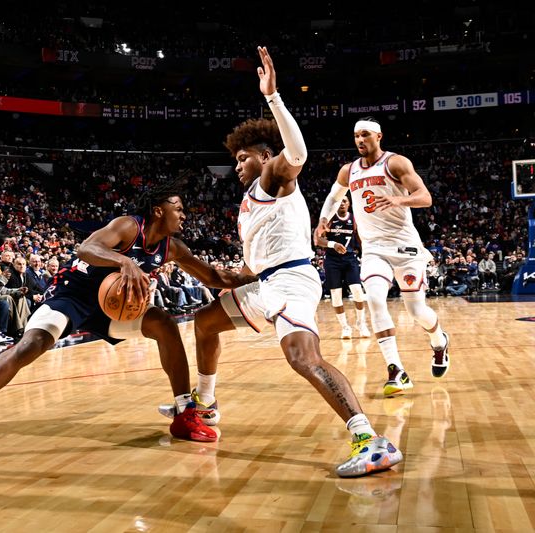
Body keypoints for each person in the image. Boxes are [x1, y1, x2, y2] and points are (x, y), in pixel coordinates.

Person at [171, 46, 402, 478]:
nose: (237, 165)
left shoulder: (273, 176)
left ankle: (370, 441)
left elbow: (296, 154)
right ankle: (206, 403)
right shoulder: (251, 202)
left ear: (263, 156)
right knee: (205, 323)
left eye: (243, 158)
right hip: (266, 283)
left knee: (302, 357)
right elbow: (233, 274)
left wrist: (273, 98)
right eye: (235, 160)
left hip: (292, 282)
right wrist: (180, 255)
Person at [0, 188, 256, 448]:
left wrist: (260, 276)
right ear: (159, 210)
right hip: (73, 295)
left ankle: (184, 412)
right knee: (33, 344)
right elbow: (86, 248)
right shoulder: (128, 226)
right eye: (179, 208)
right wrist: (124, 262)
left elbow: (214, 276)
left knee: (164, 323)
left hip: (112, 307)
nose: (184, 215)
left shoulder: (173, 248)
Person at [315, 117, 451, 397]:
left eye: (365, 134)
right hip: (374, 248)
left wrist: (399, 199)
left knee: (416, 311)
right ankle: (396, 369)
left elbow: (425, 197)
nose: (359, 140)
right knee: (374, 299)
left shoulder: (396, 163)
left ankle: (439, 341)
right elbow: (332, 196)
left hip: (405, 247)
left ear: (379, 136)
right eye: (356, 136)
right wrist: (322, 220)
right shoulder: (348, 170)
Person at [313, 196, 370, 339]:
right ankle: (345, 328)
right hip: (332, 260)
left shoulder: (355, 219)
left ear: (349, 204)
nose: (342, 203)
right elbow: (317, 239)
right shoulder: (329, 219)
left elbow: (361, 240)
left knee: (357, 291)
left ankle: (361, 323)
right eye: (340, 201)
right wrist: (333, 244)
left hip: (350, 259)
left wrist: (367, 255)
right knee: (336, 296)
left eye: (345, 201)